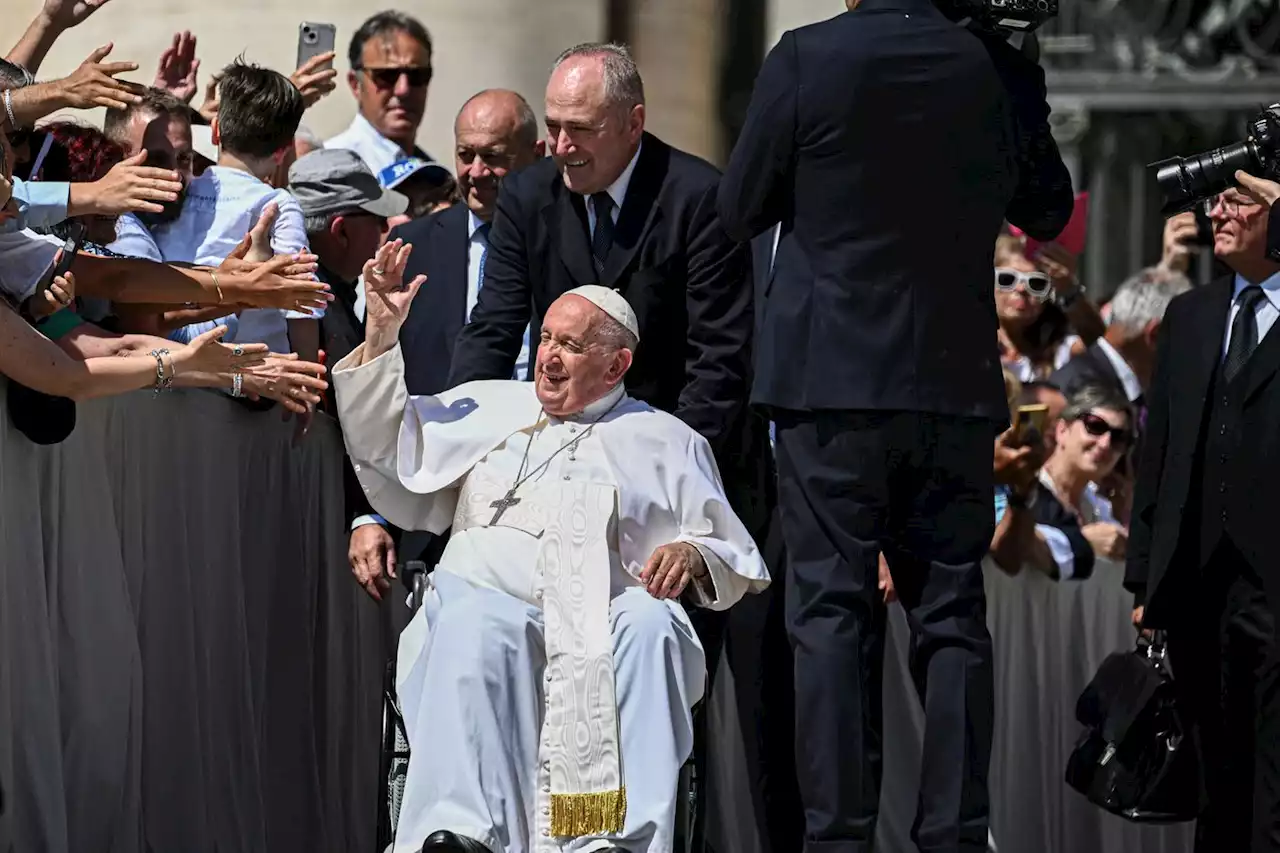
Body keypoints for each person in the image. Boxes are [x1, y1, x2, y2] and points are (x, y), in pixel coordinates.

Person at [715, 1, 1074, 850]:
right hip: (949, 385)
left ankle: (839, 837)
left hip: (830, 387)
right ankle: (954, 834)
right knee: (951, 618)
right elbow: (1050, 207)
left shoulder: (807, 56)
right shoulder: (992, 63)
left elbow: (738, 208)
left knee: (831, 616)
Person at [333, 241, 769, 853]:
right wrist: (381, 336)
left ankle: (613, 843)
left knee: (652, 624)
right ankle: (462, 834)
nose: (548, 358)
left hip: (604, 617)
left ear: (617, 366)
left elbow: (728, 547)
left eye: (570, 346)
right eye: (546, 340)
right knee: (474, 617)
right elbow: (388, 445)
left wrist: (695, 555)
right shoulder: (491, 404)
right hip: (485, 601)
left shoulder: (670, 439)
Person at [1128, 184, 1280, 851]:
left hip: (1274, 584)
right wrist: (1143, 582)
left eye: (1239, 201)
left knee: (1274, 790)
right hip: (1197, 588)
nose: (1214, 213)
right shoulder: (1191, 315)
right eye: (1214, 201)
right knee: (1215, 786)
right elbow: (1156, 452)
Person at [349, 89, 544, 600]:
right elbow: (369, 385)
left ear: (536, 155)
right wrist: (367, 512)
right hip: (433, 510)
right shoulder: (408, 252)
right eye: (465, 155)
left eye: (495, 158)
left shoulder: (566, 239)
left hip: (548, 486)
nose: (476, 172)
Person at [326, 11, 434, 174]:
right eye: (386, 76)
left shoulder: (437, 177)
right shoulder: (329, 167)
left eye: (416, 76)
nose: (403, 89)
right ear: (355, 84)